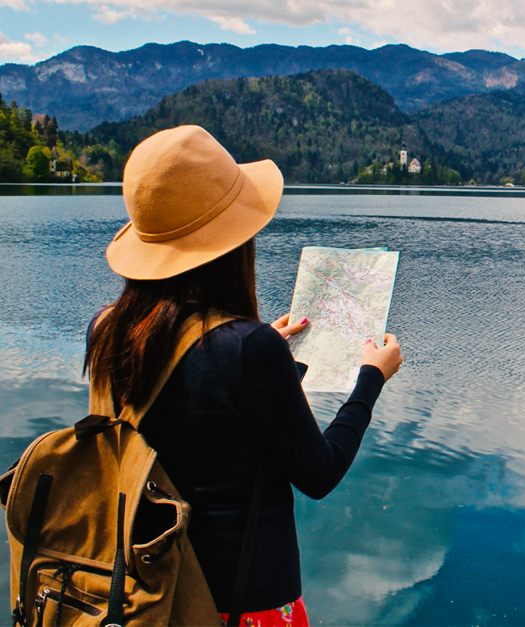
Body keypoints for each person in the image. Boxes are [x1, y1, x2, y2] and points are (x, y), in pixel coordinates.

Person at [83, 125, 402, 626]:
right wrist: (370, 379)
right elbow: (320, 473)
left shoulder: (106, 329)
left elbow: (194, 402)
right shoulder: (248, 350)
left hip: (142, 596)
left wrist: (263, 351)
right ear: (233, 241)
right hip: (242, 605)